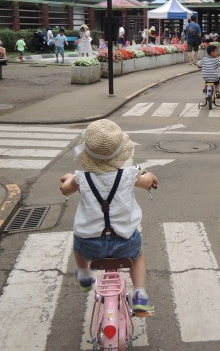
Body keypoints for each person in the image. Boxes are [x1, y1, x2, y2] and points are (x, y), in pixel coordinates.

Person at [60, 119, 158, 313]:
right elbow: (147, 181)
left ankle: (85, 275)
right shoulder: (129, 175)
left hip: (91, 246)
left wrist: (69, 178)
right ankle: (139, 294)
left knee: (77, 243)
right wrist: (150, 176)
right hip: (125, 242)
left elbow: (64, 190)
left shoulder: (82, 178)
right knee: (138, 258)